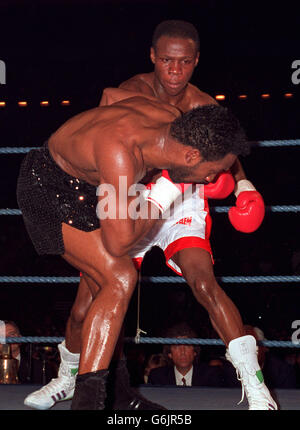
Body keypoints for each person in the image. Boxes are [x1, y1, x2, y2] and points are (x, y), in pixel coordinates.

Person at [23, 20, 274, 411]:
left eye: (185, 62)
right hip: (102, 187)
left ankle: (251, 388)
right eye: (167, 61)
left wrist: (242, 185)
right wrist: (157, 180)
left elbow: (222, 154)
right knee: (95, 295)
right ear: (153, 58)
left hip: (157, 181)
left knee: (178, 281)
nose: (175, 71)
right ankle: (72, 380)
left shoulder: (195, 111)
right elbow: (119, 235)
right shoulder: (130, 116)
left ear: (196, 62)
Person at [148, 323, 222, 387]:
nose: (182, 351)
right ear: (170, 354)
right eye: (177, 346)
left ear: (194, 352)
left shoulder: (210, 376)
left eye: (187, 345)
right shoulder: (157, 378)